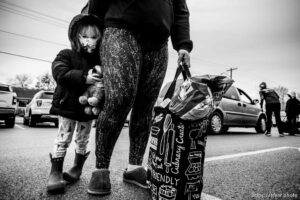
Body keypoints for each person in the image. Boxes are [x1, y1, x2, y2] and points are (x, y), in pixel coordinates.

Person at [86, 0, 193, 195]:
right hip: (120, 30)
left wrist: (183, 45)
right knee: (119, 99)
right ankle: (100, 169)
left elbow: (180, 10)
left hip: (160, 42)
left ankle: (134, 168)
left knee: (146, 107)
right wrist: (91, 32)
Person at [47, 14, 102, 193]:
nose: (89, 41)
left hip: (86, 110)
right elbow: (60, 73)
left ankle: (77, 168)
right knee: (63, 138)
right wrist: (84, 78)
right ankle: (55, 172)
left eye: (94, 37)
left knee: (82, 139)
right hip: (68, 106)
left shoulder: (100, 61)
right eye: (85, 36)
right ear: (76, 37)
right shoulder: (66, 54)